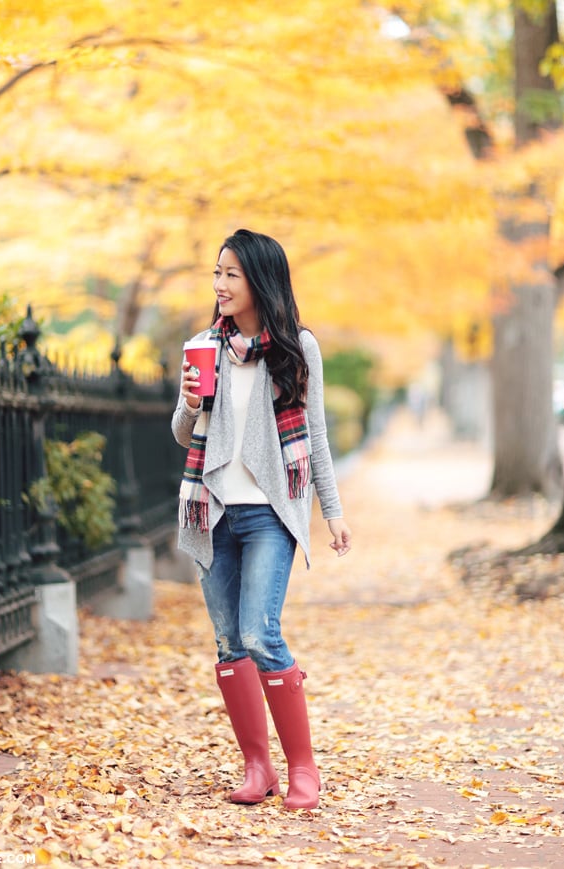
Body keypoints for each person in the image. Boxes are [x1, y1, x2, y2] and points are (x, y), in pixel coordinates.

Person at [171, 228, 352, 811]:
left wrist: (333, 511)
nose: (220, 285)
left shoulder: (298, 347)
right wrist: (192, 403)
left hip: (272, 511)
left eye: (232, 274)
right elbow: (181, 433)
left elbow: (316, 435)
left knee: (260, 634)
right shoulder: (202, 345)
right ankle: (258, 768)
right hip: (213, 510)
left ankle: (303, 769)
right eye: (216, 273)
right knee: (229, 643)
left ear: (259, 280)